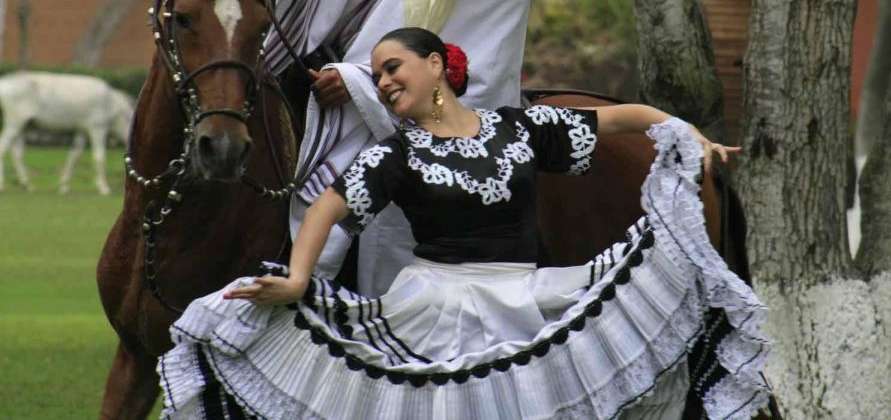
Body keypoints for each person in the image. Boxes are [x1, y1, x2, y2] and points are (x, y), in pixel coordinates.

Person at [159, 28, 771, 419]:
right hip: (438, 309)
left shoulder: (518, 127)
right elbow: (328, 207)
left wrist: (683, 131)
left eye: (393, 66)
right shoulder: (397, 153)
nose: (385, 81)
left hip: (527, 295)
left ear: (435, 65)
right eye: (377, 76)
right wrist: (296, 280)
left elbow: (619, 119)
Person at [258, 0, 576, 298]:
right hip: (334, 65)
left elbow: (479, 82)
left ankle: (371, 310)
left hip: (402, 116)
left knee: (394, 215)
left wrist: (362, 85)